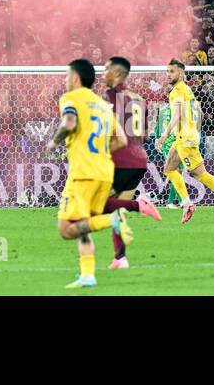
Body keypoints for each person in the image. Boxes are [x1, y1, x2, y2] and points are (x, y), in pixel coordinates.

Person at [49, 59, 135, 289]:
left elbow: (68, 123)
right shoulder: (102, 104)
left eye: (67, 76)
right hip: (104, 172)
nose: (66, 80)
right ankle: (88, 274)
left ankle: (113, 219)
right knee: (84, 224)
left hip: (83, 173)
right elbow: (122, 140)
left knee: (66, 229)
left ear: (75, 79)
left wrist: (53, 142)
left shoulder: (71, 99)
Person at [160, 59, 214, 224]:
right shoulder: (187, 89)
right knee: (169, 169)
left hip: (185, 139)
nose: (168, 74)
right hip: (185, 137)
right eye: (167, 71)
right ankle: (187, 203)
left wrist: (164, 135)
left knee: (200, 174)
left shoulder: (176, 92)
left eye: (172, 71)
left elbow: (176, 115)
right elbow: (198, 112)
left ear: (181, 73)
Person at [100, 56, 163, 269]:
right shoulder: (139, 99)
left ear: (118, 74)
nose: (102, 73)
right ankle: (120, 258)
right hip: (139, 162)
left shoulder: (110, 97)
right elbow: (145, 136)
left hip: (119, 160)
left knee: (95, 205)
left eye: (106, 69)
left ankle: (141, 205)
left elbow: (109, 131)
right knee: (117, 210)